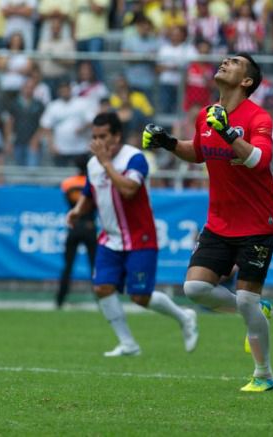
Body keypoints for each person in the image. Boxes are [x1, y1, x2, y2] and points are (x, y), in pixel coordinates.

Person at [142, 53, 273, 392]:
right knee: (195, 289)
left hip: (257, 222)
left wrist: (228, 131)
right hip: (219, 221)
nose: (224, 62)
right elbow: (199, 151)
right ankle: (256, 310)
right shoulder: (206, 114)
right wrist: (169, 143)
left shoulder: (258, 117)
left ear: (246, 81)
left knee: (246, 301)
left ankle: (264, 374)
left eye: (234, 62)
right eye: (225, 59)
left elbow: (260, 160)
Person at [65, 112, 199, 356]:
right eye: (94, 137)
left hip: (139, 238)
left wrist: (106, 163)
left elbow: (129, 190)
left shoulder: (134, 158)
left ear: (117, 136)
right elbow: (89, 191)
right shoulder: (93, 163)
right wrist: (77, 210)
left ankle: (184, 317)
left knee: (140, 297)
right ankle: (128, 344)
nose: (98, 142)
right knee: (102, 288)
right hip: (109, 238)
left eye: (103, 136)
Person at [56, 175, 97, 309]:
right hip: (89, 226)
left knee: (68, 266)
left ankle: (60, 300)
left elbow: (68, 200)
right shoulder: (93, 182)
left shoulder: (68, 182)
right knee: (94, 267)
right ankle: (101, 300)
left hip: (74, 226)